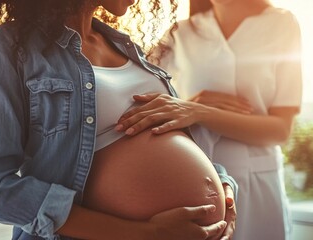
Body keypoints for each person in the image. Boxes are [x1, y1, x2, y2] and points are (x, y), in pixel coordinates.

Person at [0, 0, 238, 239]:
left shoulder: (129, 49)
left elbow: (173, 139)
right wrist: (143, 234)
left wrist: (222, 187)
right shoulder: (8, 47)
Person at [119, 0, 302, 239]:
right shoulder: (179, 32)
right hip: (193, 178)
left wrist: (200, 112)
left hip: (259, 187)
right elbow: (151, 105)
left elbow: (281, 130)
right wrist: (190, 104)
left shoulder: (281, 23)